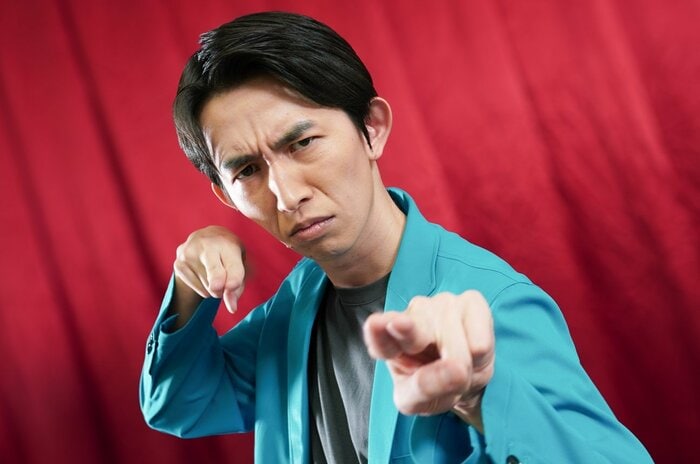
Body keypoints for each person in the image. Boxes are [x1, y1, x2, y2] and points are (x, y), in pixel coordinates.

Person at [140, 11, 653, 464]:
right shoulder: (295, 305)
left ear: (372, 129)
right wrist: (190, 286)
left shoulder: (491, 302)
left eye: (303, 143)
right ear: (226, 195)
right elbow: (177, 403)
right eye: (248, 170)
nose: (287, 194)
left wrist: (480, 397)